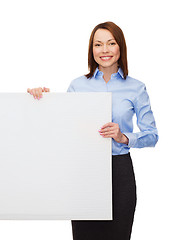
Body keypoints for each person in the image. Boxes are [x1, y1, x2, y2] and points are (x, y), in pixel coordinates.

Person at [27, 21, 159, 240]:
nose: (104, 50)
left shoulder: (136, 88)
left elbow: (152, 135)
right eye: (98, 44)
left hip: (120, 171)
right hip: (84, 172)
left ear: (120, 47)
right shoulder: (78, 86)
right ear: (92, 50)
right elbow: (60, 126)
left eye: (111, 43)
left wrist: (123, 136)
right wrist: (41, 100)